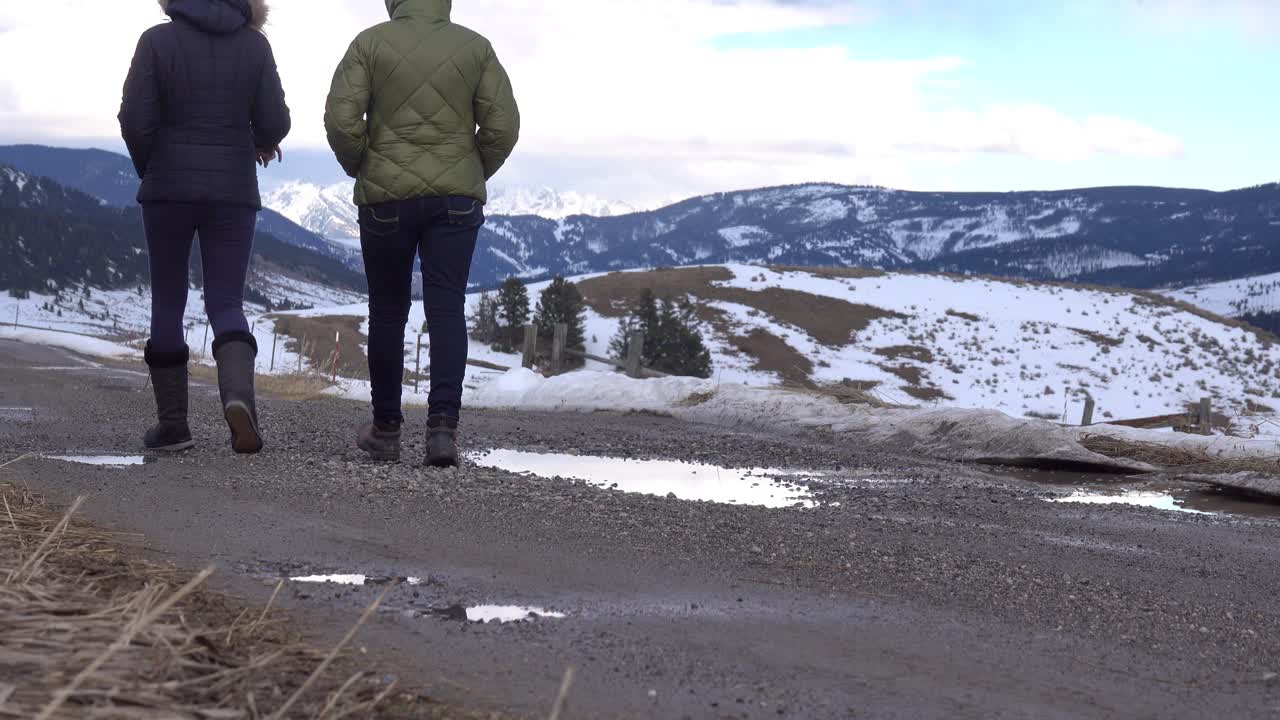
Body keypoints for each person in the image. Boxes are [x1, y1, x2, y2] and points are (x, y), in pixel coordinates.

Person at [325, 0, 519, 467]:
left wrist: (365, 166)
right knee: (447, 307)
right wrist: (469, 171)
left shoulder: (369, 44)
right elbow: (503, 127)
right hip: (456, 201)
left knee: (387, 311)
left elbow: (341, 121)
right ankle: (443, 432)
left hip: (385, 199)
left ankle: (386, 430)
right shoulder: (476, 48)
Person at [119, 0, 290, 455]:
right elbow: (275, 121)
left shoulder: (156, 41)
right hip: (233, 190)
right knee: (226, 301)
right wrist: (258, 142)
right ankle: (238, 400)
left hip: (167, 190)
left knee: (168, 299)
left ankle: (173, 427)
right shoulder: (255, 46)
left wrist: (155, 167)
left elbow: (134, 119)